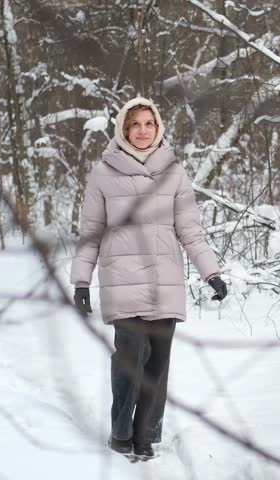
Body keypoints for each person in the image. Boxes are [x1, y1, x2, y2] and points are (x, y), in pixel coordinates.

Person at [69, 97, 228, 460]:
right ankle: (121, 434)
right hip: (121, 280)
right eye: (135, 125)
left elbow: (190, 231)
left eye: (149, 124)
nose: (142, 131)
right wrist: (81, 282)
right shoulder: (103, 173)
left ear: (158, 128)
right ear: (123, 130)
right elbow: (90, 231)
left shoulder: (174, 172)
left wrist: (212, 273)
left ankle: (145, 437)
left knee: (156, 363)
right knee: (130, 357)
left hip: (163, 283)